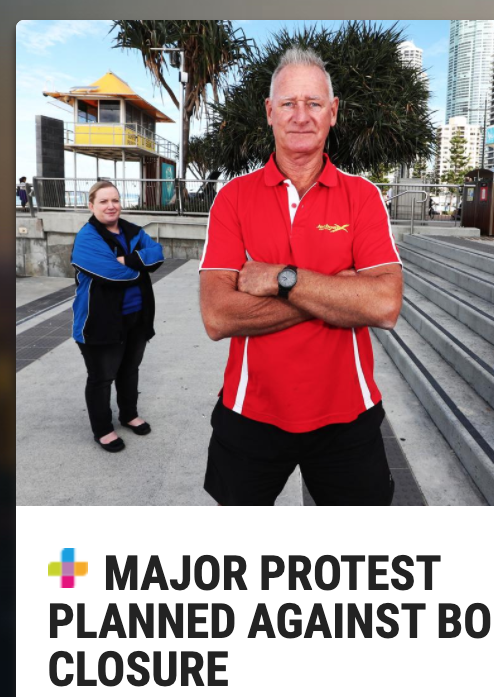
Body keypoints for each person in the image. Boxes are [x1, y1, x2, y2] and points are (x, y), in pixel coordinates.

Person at [199, 47, 403, 505]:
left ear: (333, 113)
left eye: (314, 103)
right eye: (288, 103)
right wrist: (337, 291)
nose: (301, 115)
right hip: (250, 409)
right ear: (270, 112)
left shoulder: (363, 197)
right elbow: (217, 316)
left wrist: (283, 278)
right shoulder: (232, 199)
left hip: (347, 412)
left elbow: (384, 306)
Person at [71, 181, 164, 452]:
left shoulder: (133, 231)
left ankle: (128, 415)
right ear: (91, 206)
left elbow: (157, 255)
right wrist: (138, 265)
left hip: (136, 316)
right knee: (101, 377)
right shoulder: (87, 237)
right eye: (103, 201)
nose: (111, 206)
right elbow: (112, 274)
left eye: (115, 200)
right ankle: (103, 429)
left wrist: (125, 260)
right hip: (99, 322)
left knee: (129, 370)